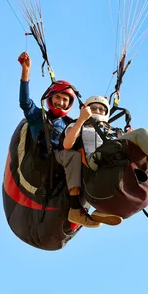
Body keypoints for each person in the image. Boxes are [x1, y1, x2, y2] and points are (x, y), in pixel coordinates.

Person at [62, 95, 148, 220]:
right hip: (95, 163)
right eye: (93, 108)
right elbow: (67, 144)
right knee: (141, 133)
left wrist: (130, 137)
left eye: (101, 109)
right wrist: (81, 119)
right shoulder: (79, 125)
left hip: (113, 161)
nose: (97, 111)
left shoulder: (111, 130)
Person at [17, 52, 101, 228]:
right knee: (73, 156)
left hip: (61, 162)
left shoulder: (69, 124)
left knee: (90, 151)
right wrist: (26, 72)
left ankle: (102, 197)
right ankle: (75, 209)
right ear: (50, 98)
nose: (61, 102)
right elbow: (25, 102)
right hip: (43, 161)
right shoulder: (37, 116)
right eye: (58, 98)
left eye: (65, 100)